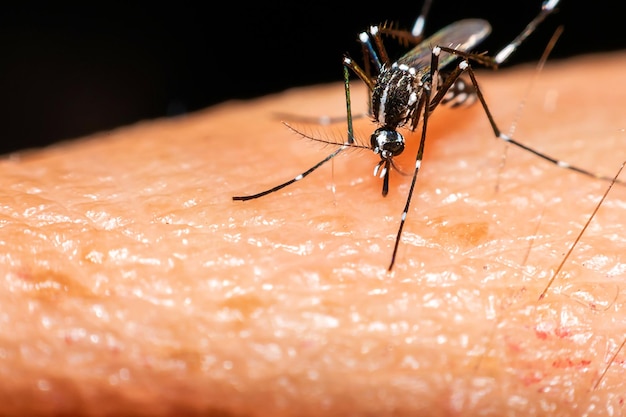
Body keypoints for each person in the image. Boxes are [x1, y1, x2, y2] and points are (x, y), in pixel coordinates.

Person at [2, 52, 625, 416]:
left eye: (388, 147)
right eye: (383, 147)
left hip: (443, 76)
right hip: (399, 84)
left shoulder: (412, 118)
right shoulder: (382, 122)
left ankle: (507, 136)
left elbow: (423, 101)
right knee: (359, 53)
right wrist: (355, 127)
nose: (386, 156)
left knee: (437, 64)